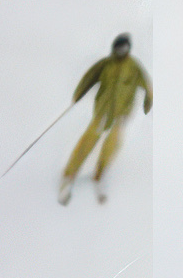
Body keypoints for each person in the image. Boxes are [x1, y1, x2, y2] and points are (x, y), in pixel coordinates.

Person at [61, 33, 152, 204]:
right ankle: (70, 172)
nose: (121, 51)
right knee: (89, 139)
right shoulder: (106, 64)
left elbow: (147, 85)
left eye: (124, 48)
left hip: (121, 113)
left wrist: (148, 102)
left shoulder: (134, 67)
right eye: (118, 47)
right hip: (103, 111)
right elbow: (89, 77)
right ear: (114, 48)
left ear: (128, 48)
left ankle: (99, 173)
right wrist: (78, 95)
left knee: (112, 143)